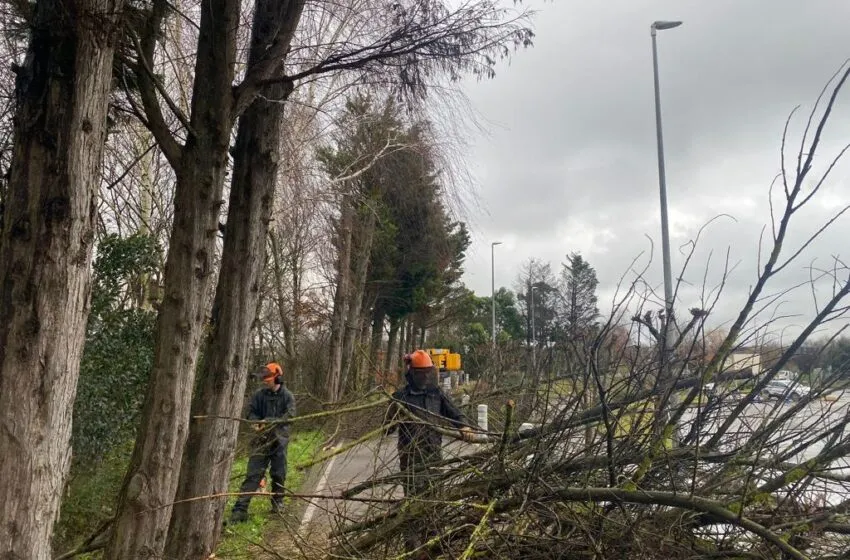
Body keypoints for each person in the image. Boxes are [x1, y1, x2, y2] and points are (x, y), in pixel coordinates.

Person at [385, 349, 476, 555]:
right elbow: (387, 427)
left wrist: (464, 426)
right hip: (411, 458)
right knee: (414, 504)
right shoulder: (402, 396)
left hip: (434, 456)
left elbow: (453, 412)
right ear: (412, 373)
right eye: (421, 373)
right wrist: (392, 412)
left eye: (428, 372)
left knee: (435, 501)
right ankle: (412, 550)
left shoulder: (437, 394)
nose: (425, 376)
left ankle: (434, 547)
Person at [229, 362, 296, 523]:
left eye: (268, 378)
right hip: (261, 441)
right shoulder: (259, 395)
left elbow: (290, 416)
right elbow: (251, 412)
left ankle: (277, 501)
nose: (265, 381)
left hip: (279, 439)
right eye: (264, 378)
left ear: (277, 378)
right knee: (253, 474)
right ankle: (240, 509)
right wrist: (255, 421)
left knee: (278, 473)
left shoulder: (288, 396)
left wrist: (269, 421)